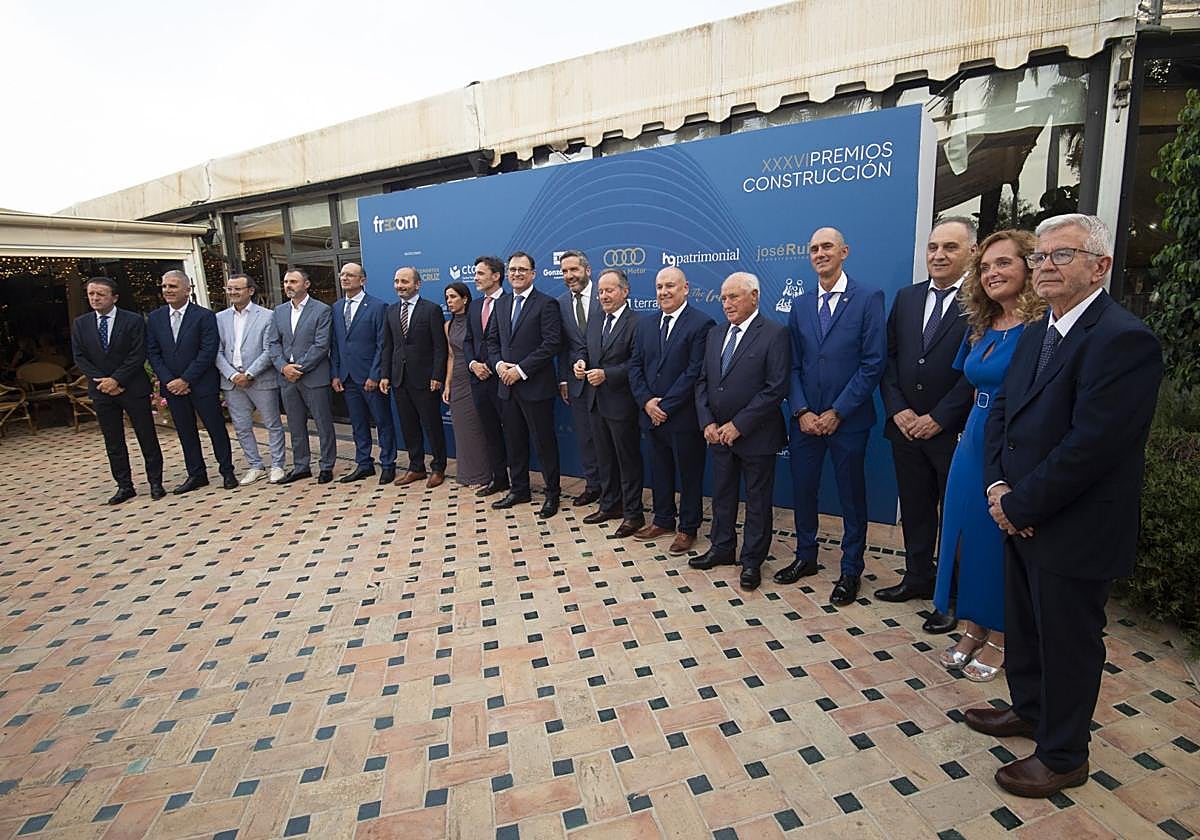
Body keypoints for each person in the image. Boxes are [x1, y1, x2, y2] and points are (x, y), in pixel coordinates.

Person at [966, 214, 1162, 799]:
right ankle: (1028, 710)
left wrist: (1021, 503)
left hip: (1072, 525)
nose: (1044, 266)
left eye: (1061, 255)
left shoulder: (1124, 339)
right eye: (1042, 256)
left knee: (1070, 642)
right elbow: (1002, 415)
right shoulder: (1034, 332)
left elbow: (1093, 446)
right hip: (1020, 514)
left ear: (1099, 266)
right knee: (1024, 628)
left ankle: (1063, 755)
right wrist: (999, 489)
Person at [932, 230, 1045, 682]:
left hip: (1014, 443)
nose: (993, 273)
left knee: (1001, 541)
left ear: (1028, 267)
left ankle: (1000, 635)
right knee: (966, 536)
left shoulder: (1040, 329)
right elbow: (966, 384)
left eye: (1004, 263)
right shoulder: (980, 325)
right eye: (985, 267)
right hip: (973, 439)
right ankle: (972, 626)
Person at [777, 228, 886, 606]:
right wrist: (803, 410)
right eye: (814, 249)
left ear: (844, 251)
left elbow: (873, 364)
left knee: (852, 498)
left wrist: (838, 411)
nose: (820, 253)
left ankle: (851, 569)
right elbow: (791, 365)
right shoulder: (801, 304)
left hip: (848, 422)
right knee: (803, 491)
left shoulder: (869, 298)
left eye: (827, 247)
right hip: (805, 423)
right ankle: (805, 556)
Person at [877, 218, 976, 630]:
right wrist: (898, 409)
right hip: (904, 428)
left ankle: (952, 596)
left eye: (950, 248)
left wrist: (938, 417)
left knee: (955, 517)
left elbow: (976, 369)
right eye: (933, 247)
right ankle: (917, 578)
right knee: (916, 509)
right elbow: (890, 359)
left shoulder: (982, 300)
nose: (938, 255)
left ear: (972, 252)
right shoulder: (907, 297)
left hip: (950, 432)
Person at [691, 272, 789, 591]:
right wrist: (707, 421)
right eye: (723, 298)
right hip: (717, 435)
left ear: (755, 296)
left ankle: (751, 560)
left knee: (758, 501)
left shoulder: (774, 333)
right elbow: (703, 381)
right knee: (722, 495)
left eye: (734, 296)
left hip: (756, 436)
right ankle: (722, 548)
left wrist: (739, 425)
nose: (728, 304)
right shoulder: (715, 334)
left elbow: (775, 389)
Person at [628, 266, 714, 555]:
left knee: (690, 474)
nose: (664, 292)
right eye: (659, 287)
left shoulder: (702, 324)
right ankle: (662, 519)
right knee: (660, 469)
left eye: (670, 286)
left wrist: (664, 405)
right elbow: (635, 367)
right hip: (651, 415)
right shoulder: (645, 325)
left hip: (684, 417)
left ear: (685, 288)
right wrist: (647, 402)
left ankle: (688, 527)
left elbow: (695, 372)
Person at [70, 277, 164, 504]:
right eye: (91, 294)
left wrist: (117, 379)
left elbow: (137, 353)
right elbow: (80, 357)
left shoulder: (132, 321)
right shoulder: (81, 324)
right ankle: (124, 485)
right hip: (101, 390)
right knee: (113, 440)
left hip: (132, 387)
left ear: (114, 297)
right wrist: (104, 382)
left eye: (100, 294)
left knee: (146, 436)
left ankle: (155, 482)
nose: (95, 298)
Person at [485, 251, 563, 519]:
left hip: (535, 387)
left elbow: (551, 344)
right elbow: (492, 341)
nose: (516, 274)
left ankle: (552, 494)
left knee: (543, 443)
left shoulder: (547, 304)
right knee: (514, 441)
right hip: (506, 386)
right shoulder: (502, 303)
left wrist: (520, 370)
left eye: (522, 269)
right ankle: (519, 489)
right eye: (512, 270)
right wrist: (498, 366)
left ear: (533, 274)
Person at [146, 269, 237, 493]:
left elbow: (208, 351)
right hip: (173, 388)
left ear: (187, 290)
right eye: (165, 286)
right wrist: (170, 381)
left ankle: (227, 471)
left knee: (216, 429)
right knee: (186, 432)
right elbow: (153, 352)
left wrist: (186, 379)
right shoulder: (156, 318)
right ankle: (196, 474)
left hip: (201, 384)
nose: (167, 290)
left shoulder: (204, 316)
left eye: (173, 286)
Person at [573, 268, 644, 537]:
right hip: (595, 402)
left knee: (627, 461)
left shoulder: (637, 323)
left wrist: (607, 374)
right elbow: (584, 350)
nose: (603, 295)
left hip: (621, 403)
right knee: (604, 459)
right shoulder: (594, 320)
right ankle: (610, 505)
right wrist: (579, 363)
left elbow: (637, 364)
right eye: (601, 291)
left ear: (625, 292)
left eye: (609, 290)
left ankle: (633, 514)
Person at [215, 273, 287, 485]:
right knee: (241, 427)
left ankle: (277, 465)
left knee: (273, 424)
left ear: (250, 291)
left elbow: (269, 350)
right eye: (229, 289)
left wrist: (249, 374)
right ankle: (255, 465)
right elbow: (216, 351)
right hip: (231, 381)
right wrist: (232, 374)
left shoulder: (267, 316)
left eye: (237, 288)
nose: (233, 293)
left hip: (260, 379)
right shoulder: (219, 318)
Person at [267, 267, 337, 484]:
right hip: (287, 378)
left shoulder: (322, 310)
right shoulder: (278, 312)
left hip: (313, 377)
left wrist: (298, 368)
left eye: (293, 282)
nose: (288, 285)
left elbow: (321, 345)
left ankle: (326, 465)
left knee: (323, 423)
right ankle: (301, 466)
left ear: (306, 284)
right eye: (286, 281)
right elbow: (273, 343)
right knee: (295, 425)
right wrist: (283, 367)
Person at [380, 266, 448, 488]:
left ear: (417, 284)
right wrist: (385, 375)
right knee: (409, 426)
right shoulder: (390, 311)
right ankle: (415, 467)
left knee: (432, 425)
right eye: (397, 281)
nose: (400, 285)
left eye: (405, 282)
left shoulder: (431, 310)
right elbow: (388, 346)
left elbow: (440, 347)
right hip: (399, 379)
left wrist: (437, 374)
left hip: (425, 379)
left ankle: (438, 468)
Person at [331, 262, 397, 485]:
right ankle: (364, 464)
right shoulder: (337, 307)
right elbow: (337, 343)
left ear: (363, 280)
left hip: (370, 377)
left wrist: (375, 374)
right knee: (358, 423)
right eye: (342, 275)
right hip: (348, 377)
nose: (345, 278)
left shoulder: (378, 306)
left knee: (382, 421)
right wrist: (336, 373)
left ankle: (388, 464)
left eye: (350, 275)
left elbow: (383, 343)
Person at [557, 250, 603, 507]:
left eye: (573, 270)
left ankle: (613, 489)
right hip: (576, 382)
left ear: (587, 270)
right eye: (564, 271)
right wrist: (564, 379)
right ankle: (593, 485)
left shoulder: (605, 294)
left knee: (608, 438)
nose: (569, 276)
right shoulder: (561, 302)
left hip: (606, 382)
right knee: (585, 437)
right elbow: (563, 346)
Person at [463, 256, 510, 497]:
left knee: (512, 432)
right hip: (478, 380)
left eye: (481, 273)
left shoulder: (510, 303)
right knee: (490, 431)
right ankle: (499, 478)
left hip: (504, 380)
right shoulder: (473, 306)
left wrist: (494, 365)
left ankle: (519, 482)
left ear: (496, 276)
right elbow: (468, 340)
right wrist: (473, 364)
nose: (476, 278)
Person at [442, 281, 491, 486]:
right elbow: (451, 356)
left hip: (476, 377)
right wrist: (447, 385)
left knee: (477, 428)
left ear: (465, 298)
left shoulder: (476, 319)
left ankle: (483, 475)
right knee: (461, 430)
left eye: (453, 297)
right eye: (447, 298)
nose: (449, 301)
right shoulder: (448, 325)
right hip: (458, 381)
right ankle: (467, 474)